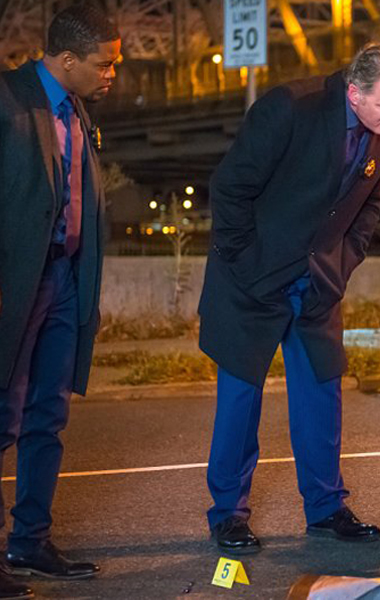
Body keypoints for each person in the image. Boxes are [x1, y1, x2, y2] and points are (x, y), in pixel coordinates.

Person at [199, 40, 380, 554]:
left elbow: (371, 203)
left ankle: (325, 508)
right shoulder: (288, 107)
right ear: (354, 92)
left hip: (318, 280)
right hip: (252, 279)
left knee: (322, 393)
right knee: (240, 400)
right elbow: (230, 188)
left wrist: (342, 264)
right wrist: (245, 262)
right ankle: (228, 514)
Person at [0, 4, 120, 597]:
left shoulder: (76, 108)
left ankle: (30, 542)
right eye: (104, 63)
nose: (112, 74)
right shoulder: (9, 100)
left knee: (47, 416)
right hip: (15, 287)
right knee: (4, 415)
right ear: (67, 59)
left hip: (65, 280)